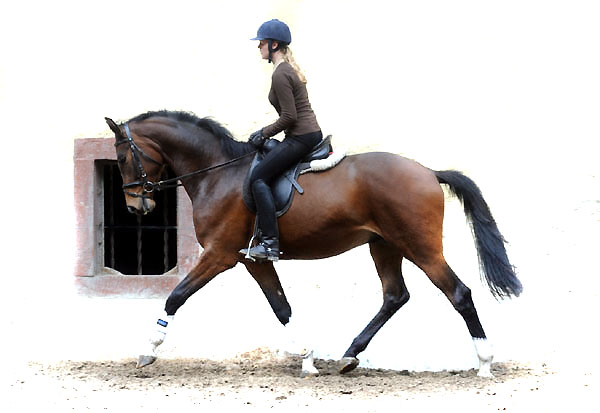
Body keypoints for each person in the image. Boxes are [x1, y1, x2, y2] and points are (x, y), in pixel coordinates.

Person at [244, 19, 323, 262]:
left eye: (262, 43)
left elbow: (290, 116)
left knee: (258, 178)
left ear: (274, 44)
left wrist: (264, 133)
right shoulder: (286, 70)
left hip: (301, 137)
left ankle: (270, 244)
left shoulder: (281, 74)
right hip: (301, 134)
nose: (259, 47)